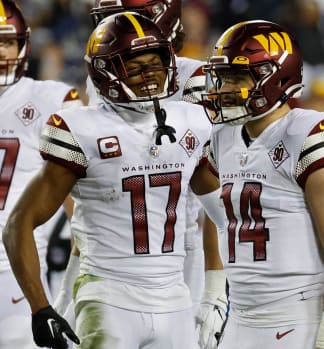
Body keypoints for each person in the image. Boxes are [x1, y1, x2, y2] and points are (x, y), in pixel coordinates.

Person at [3, 12, 224, 349]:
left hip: (176, 296)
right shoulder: (82, 128)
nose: (149, 76)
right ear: (106, 73)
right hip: (109, 296)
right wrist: (40, 308)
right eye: (134, 68)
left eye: (155, 64)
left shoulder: (190, 120)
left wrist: (218, 285)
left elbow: (226, 215)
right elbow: (18, 224)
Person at [52, 0, 216, 334]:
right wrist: (68, 286)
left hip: (176, 248)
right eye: (109, 20)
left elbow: (220, 196)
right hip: (109, 259)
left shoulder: (194, 80)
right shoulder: (106, 75)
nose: (118, 28)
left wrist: (215, 287)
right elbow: (97, 195)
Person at [200, 20, 324, 348]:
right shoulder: (223, 138)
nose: (227, 88)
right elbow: (218, 210)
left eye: (238, 76)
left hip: (296, 317)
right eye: (224, 77)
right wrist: (214, 289)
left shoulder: (308, 133)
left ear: (276, 77)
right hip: (240, 316)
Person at [0, 0, 83, 347]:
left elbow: (80, 199)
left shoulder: (51, 100)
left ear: (23, 45)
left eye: (4, 41)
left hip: (14, 274)